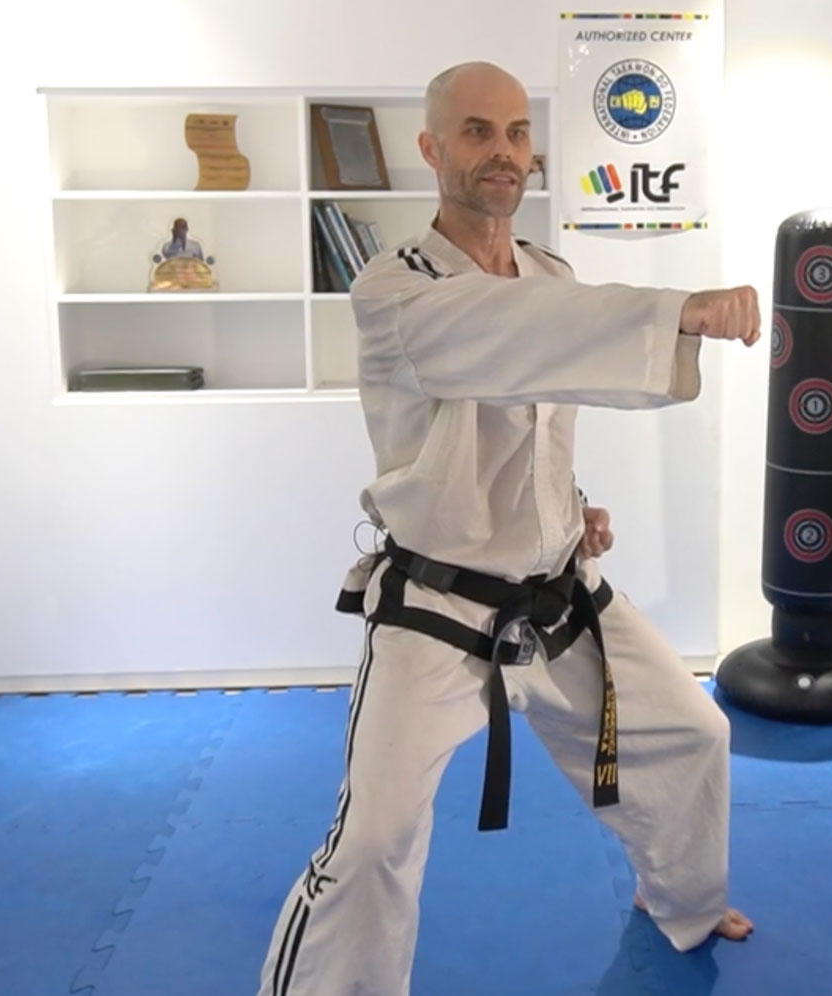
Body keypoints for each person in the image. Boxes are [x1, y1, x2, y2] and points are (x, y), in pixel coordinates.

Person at [254, 61, 760, 996]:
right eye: (478, 131)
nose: (504, 152)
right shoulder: (395, 288)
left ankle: (681, 899)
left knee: (693, 731)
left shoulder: (549, 276)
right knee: (371, 840)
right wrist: (679, 311)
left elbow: (543, 407)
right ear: (431, 147)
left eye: (518, 133)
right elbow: (506, 337)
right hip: (437, 608)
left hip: (556, 593)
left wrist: (568, 508)